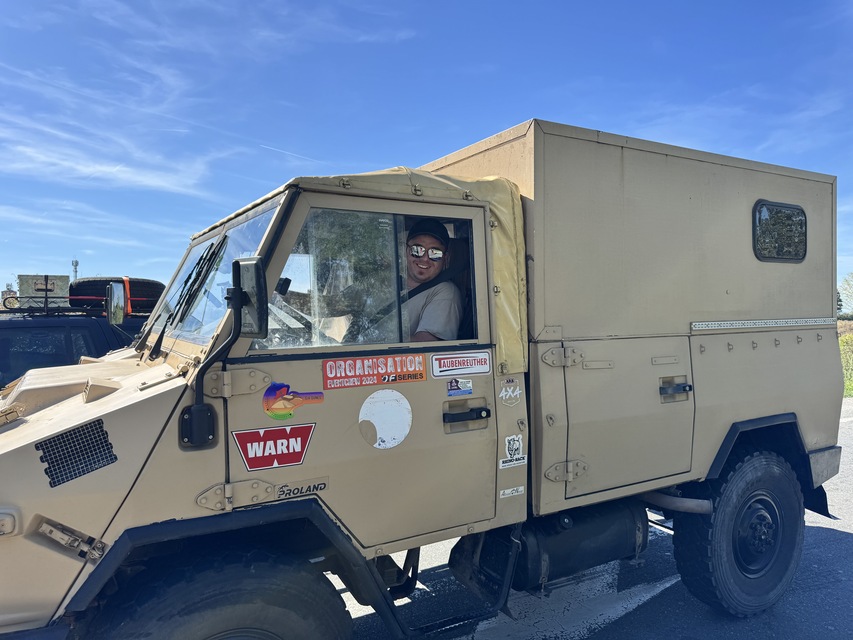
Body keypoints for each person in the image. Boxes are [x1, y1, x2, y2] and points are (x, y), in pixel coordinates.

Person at [404, 219, 462, 341]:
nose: (425, 259)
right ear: (406, 251)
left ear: (445, 258)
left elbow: (426, 345)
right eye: (417, 250)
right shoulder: (389, 283)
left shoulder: (445, 292)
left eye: (435, 253)